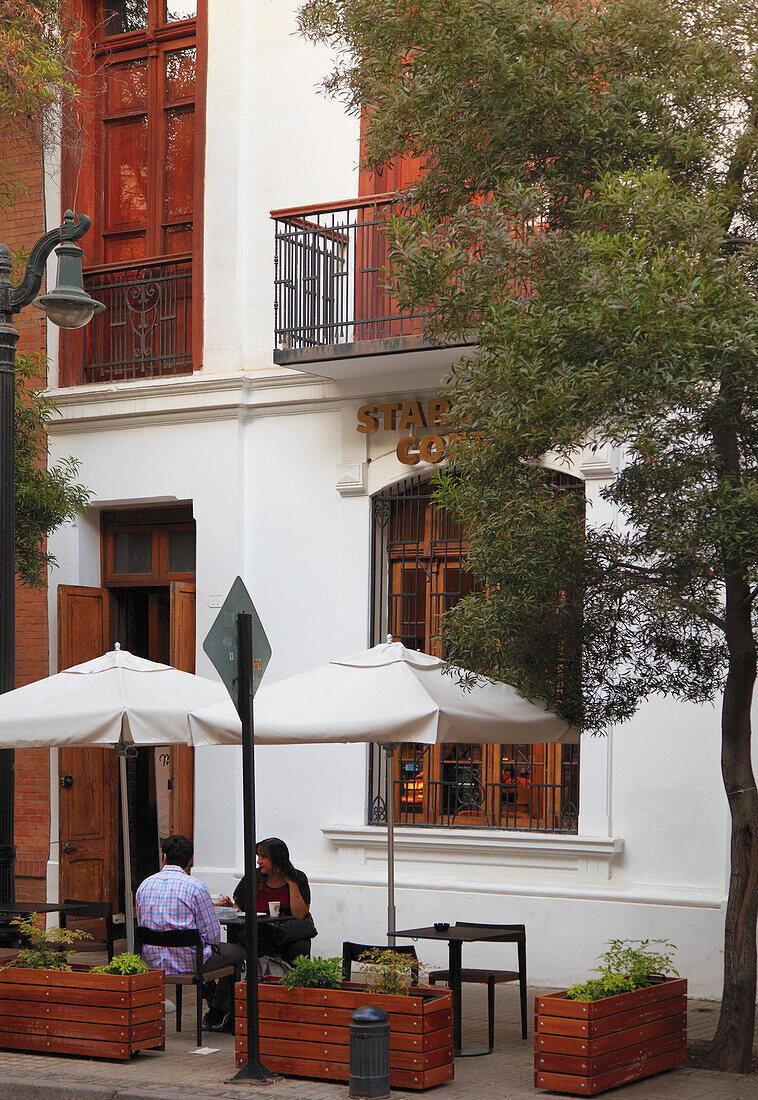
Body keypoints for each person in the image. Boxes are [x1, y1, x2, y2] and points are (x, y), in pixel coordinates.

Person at [135, 834, 244, 1033]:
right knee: (237, 952)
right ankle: (222, 1013)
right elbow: (213, 937)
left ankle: (214, 1006)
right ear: (189, 860)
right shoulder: (195, 887)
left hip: (152, 962)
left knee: (209, 953)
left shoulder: (144, 885)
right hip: (191, 962)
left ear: (164, 857)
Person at [233, 837, 313, 964]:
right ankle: (263, 979)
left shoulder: (298, 878)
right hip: (260, 931)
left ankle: (295, 981)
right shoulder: (253, 877)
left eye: (263, 857)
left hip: (289, 933)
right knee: (251, 940)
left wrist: (292, 884)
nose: (259, 861)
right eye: (258, 856)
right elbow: (239, 906)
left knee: (300, 948)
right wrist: (232, 908)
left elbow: (300, 914)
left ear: (277, 859)